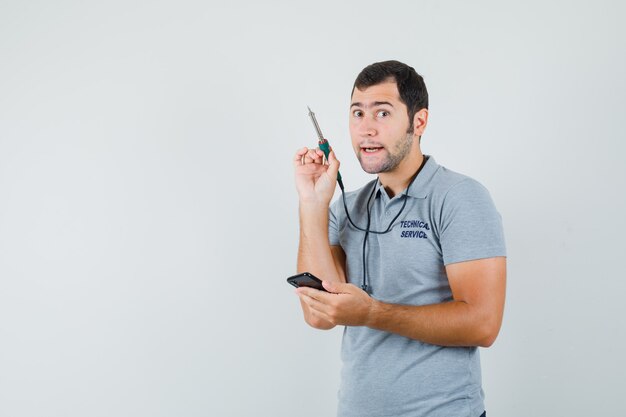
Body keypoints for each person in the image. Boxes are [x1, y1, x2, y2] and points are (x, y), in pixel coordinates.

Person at [292, 60, 506, 417]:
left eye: (382, 113)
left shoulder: (460, 198)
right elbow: (320, 316)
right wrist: (312, 203)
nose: (366, 129)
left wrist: (372, 313)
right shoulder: (345, 207)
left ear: (418, 121)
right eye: (357, 113)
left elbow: (482, 324)